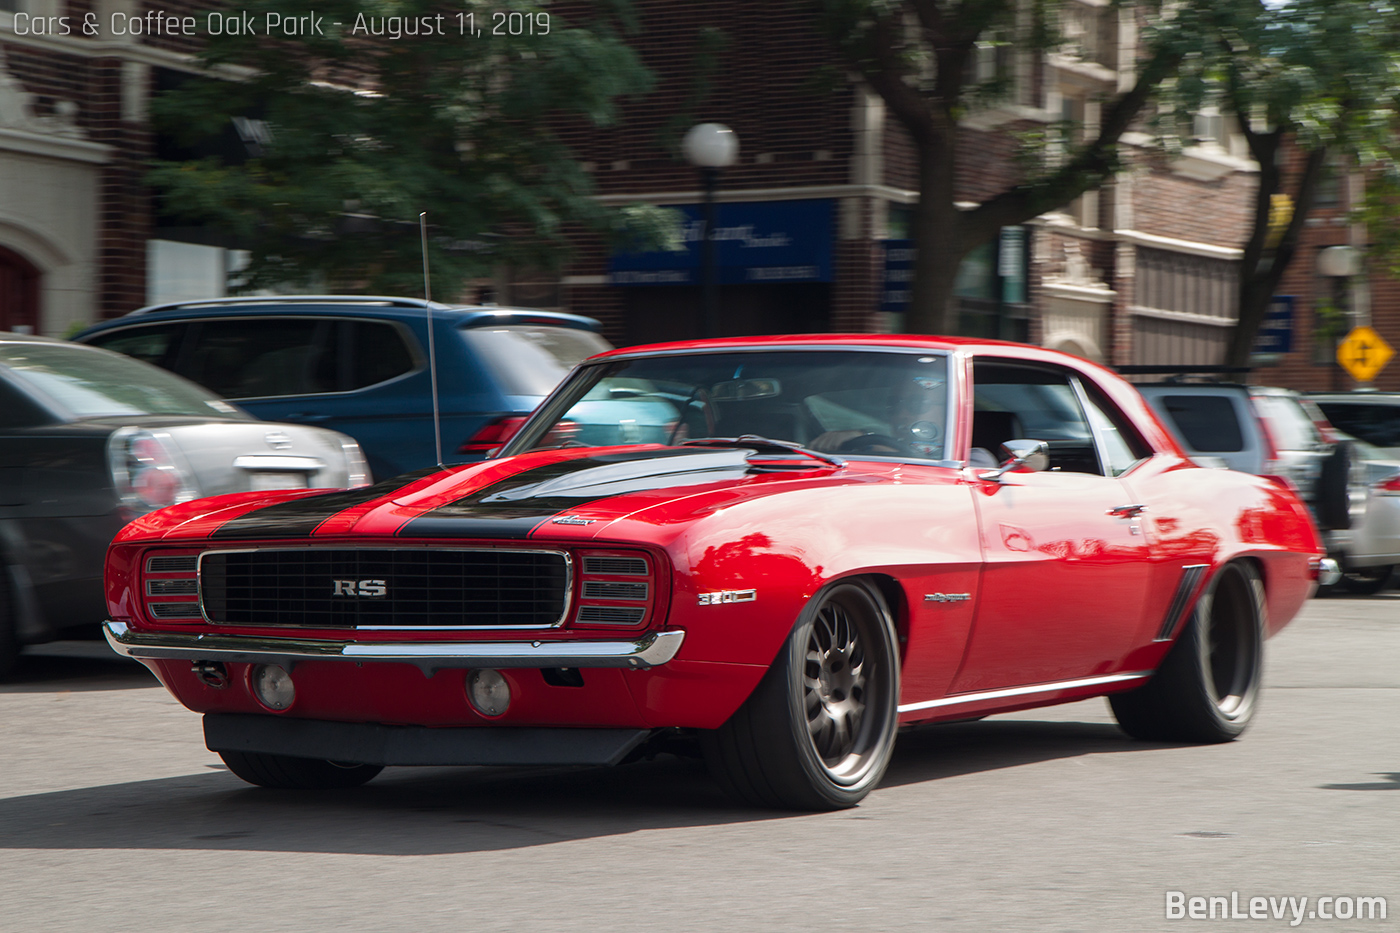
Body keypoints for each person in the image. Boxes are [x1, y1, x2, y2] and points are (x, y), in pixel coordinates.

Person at [808, 374, 945, 457]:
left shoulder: (965, 457)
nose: (902, 414)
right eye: (894, 406)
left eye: (917, 404)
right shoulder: (871, 450)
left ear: (945, 410)